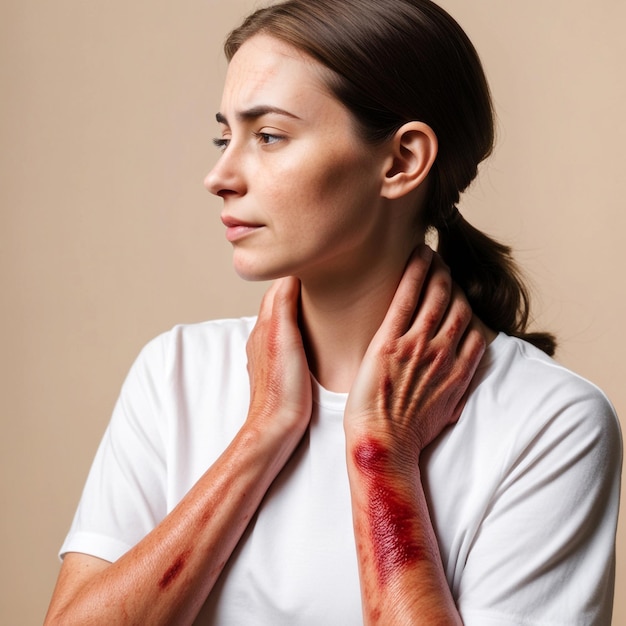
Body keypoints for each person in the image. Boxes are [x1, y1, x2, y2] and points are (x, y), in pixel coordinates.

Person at [45, 0, 622, 624]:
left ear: (401, 161)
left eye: (268, 136)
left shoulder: (551, 424)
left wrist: (382, 455)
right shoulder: (175, 373)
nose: (219, 175)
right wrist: (262, 432)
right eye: (224, 136)